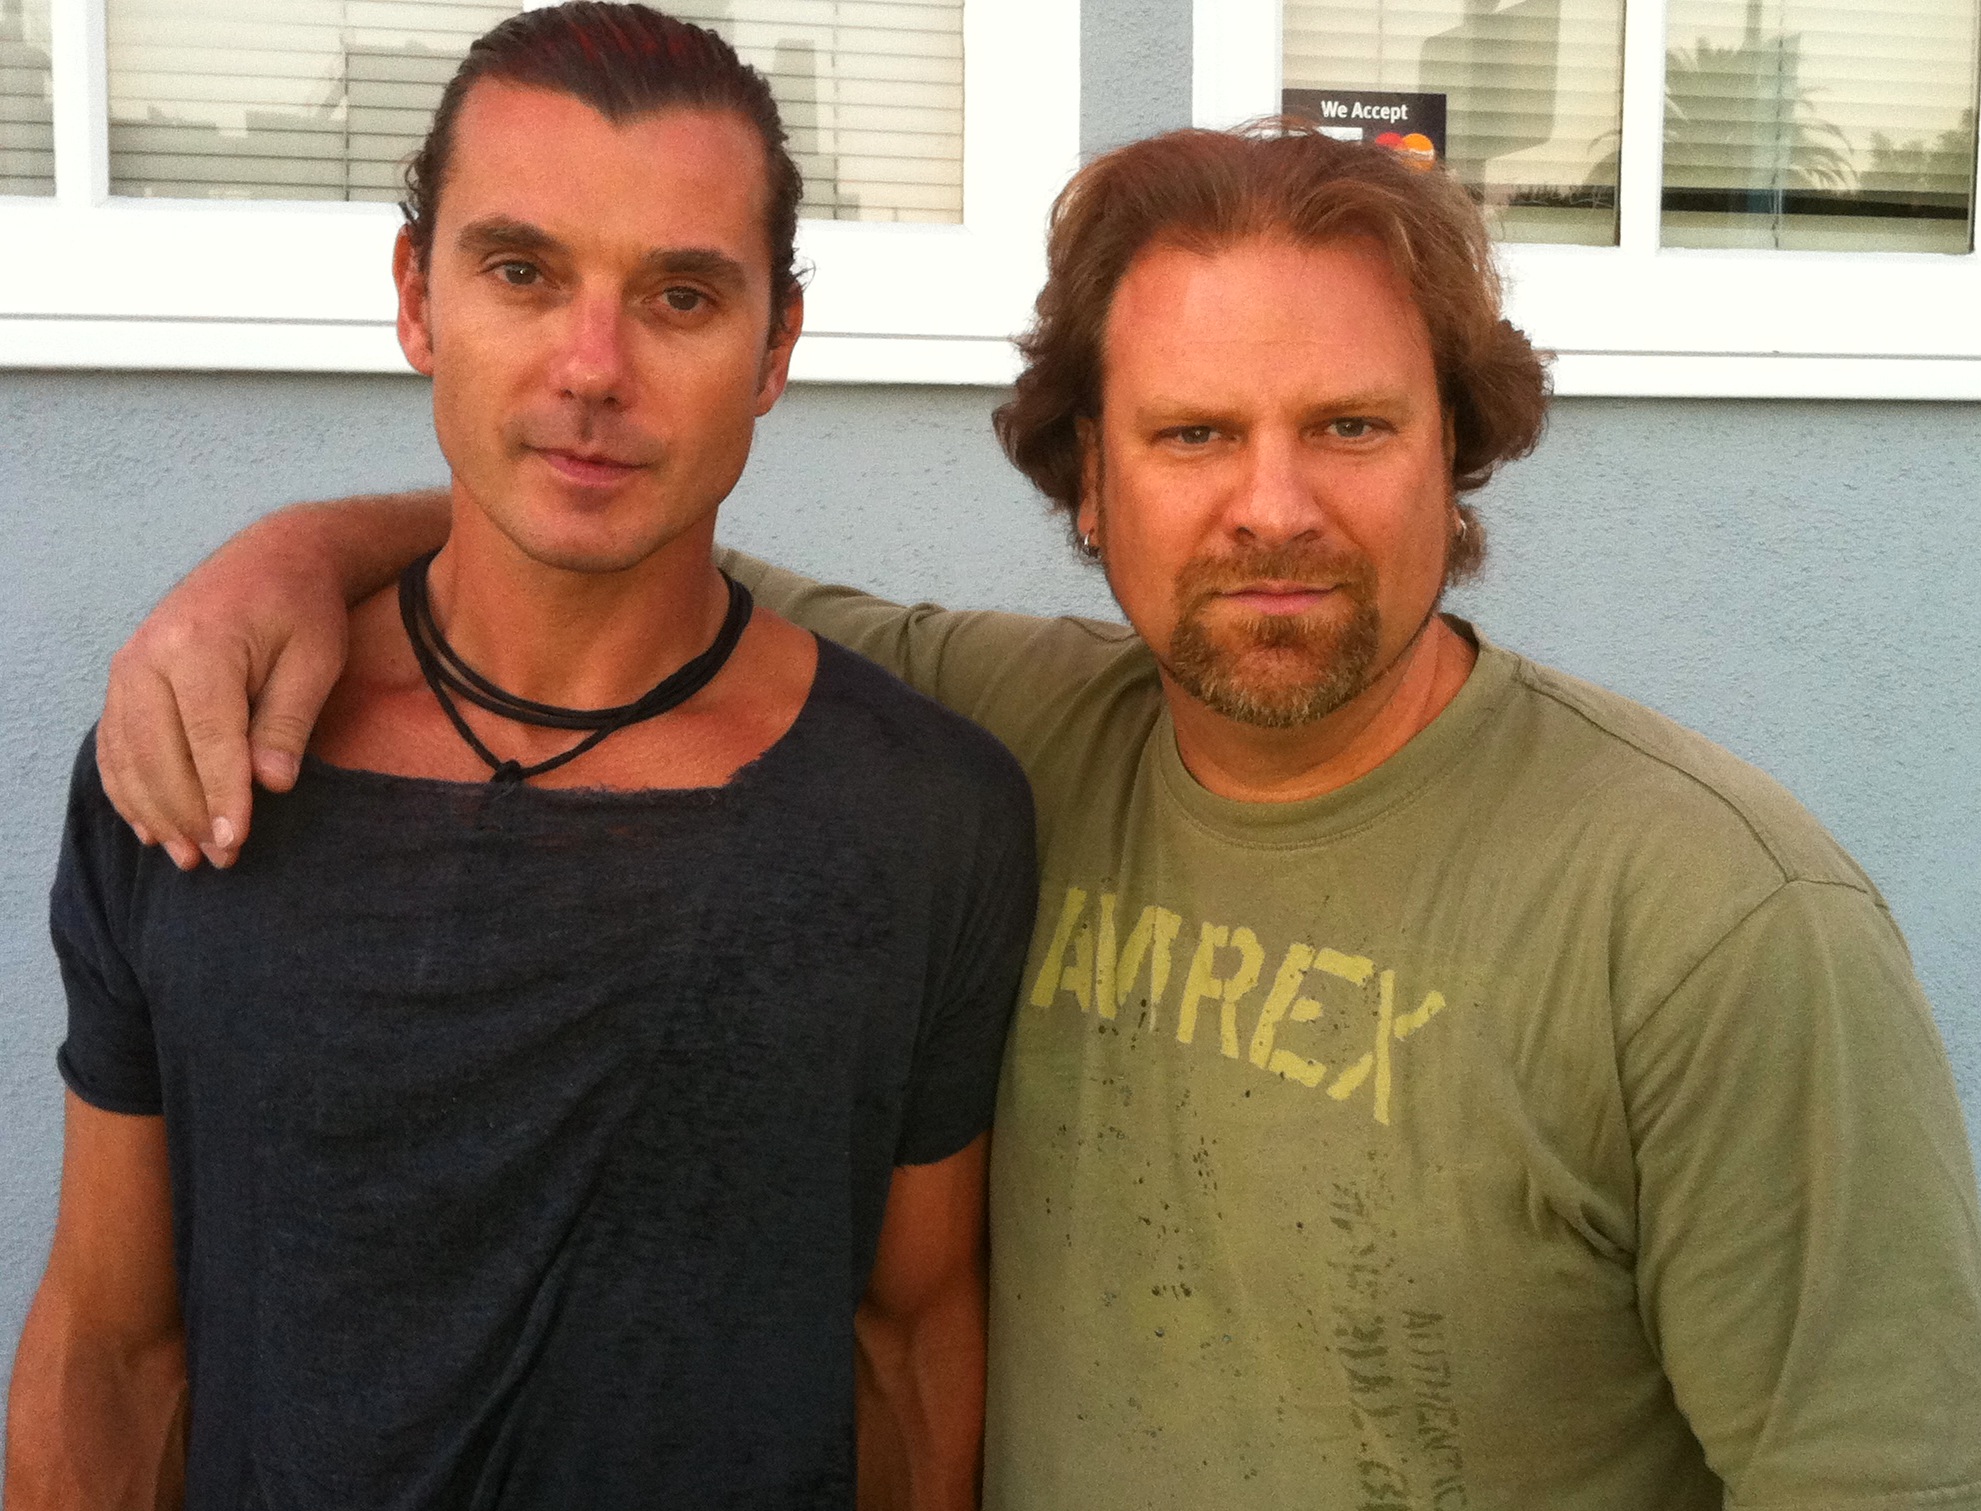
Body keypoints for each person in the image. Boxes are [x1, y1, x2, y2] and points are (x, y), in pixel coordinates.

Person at [75, 120, 1981, 1509]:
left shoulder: (1716, 919)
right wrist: (284, 562)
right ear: (1087, 477)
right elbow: (596, 530)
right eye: (1189, 436)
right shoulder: (1009, 737)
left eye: (1348, 426)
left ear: (1456, 445)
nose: (1270, 508)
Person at [5, 8, 1038, 1509]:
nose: (592, 367)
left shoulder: (925, 818)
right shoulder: (194, 760)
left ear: (776, 349)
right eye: (520, 272)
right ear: (418, 298)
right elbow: (114, 1350)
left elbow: (912, 1339)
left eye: (682, 295)